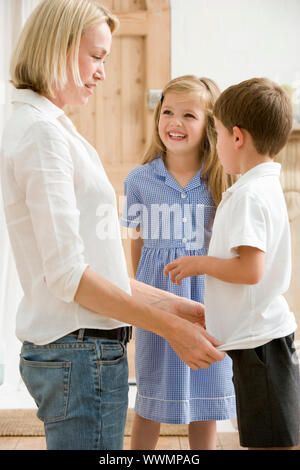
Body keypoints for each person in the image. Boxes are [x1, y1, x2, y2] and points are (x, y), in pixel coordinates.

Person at [0, 0, 225, 450]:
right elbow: (69, 277)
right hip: (81, 355)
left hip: (81, 352)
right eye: (96, 56)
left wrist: (178, 308)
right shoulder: (43, 134)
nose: (103, 72)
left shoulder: (48, 126)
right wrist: (168, 328)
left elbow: (93, 270)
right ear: (57, 48)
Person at [164, 77, 300, 450]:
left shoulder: (249, 196)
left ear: (236, 137)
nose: (216, 142)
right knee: (265, 435)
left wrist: (199, 263)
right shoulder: (260, 186)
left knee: (269, 441)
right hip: (258, 341)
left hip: (262, 347)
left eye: (218, 133)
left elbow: (249, 270)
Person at [121, 75, 236, 450]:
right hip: (158, 295)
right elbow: (136, 246)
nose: (175, 121)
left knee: (204, 393)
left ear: (209, 125)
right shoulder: (140, 179)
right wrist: (139, 297)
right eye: (168, 111)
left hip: (206, 298)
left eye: (189, 115)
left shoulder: (221, 180)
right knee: (151, 392)